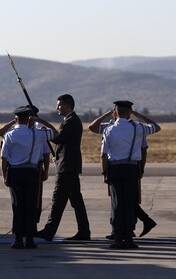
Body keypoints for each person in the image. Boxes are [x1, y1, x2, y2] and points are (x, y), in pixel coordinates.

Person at [89, 107, 158, 239]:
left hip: (116, 168)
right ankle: (126, 229)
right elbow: (92, 127)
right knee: (125, 200)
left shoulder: (112, 129)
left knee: (122, 201)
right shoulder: (136, 128)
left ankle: (124, 230)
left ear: (115, 112)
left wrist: (104, 172)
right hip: (131, 168)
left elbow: (143, 149)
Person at [36, 94, 91, 241]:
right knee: (76, 200)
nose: (57, 108)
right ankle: (84, 231)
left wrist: (43, 124)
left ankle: (49, 231)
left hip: (67, 166)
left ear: (67, 106)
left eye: (59, 105)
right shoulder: (71, 120)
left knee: (58, 199)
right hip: (69, 165)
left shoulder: (71, 121)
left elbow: (57, 138)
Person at [1, 106, 52, 249]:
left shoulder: (10, 135)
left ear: (16, 118)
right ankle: (30, 238)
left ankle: (18, 239)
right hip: (31, 172)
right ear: (29, 118)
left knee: (17, 205)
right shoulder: (38, 134)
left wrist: (4, 175)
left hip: (15, 172)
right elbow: (55, 133)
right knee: (30, 206)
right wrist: (40, 121)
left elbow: (4, 158)